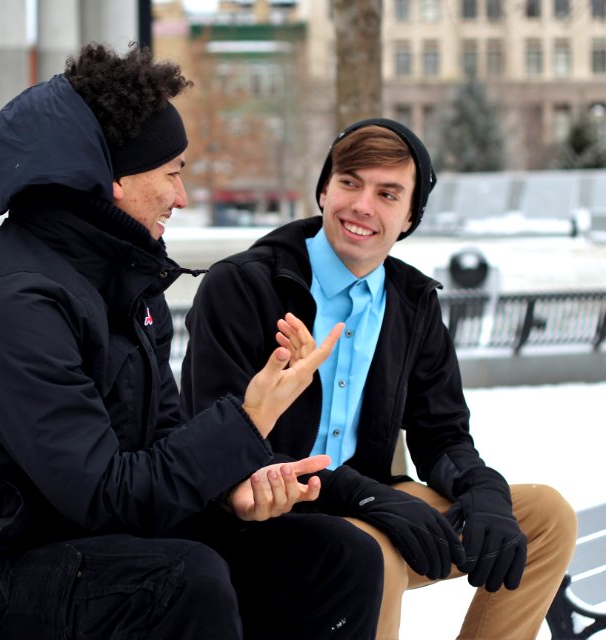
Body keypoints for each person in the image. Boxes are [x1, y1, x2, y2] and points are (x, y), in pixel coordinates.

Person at [0, 43, 380, 640]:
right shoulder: (18, 302)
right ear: (112, 180)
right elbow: (102, 493)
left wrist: (232, 491)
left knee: (334, 555)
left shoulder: (124, 284)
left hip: (89, 547)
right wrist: (250, 420)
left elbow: (157, 447)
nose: (182, 196)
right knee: (180, 580)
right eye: (172, 172)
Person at [180, 118, 579, 639]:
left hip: (372, 503)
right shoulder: (245, 286)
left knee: (545, 516)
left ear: (410, 215)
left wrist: (482, 491)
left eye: (388, 193)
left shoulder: (411, 303)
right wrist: (368, 497)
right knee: (373, 553)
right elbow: (218, 441)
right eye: (350, 182)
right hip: (264, 514)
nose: (363, 206)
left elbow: (442, 433)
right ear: (324, 189)